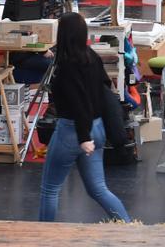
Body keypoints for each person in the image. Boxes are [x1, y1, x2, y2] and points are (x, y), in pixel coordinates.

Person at [39, 12, 131, 223]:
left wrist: (83, 137)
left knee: (50, 189)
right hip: (97, 128)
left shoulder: (67, 66)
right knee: (98, 189)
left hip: (73, 132)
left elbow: (78, 103)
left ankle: (42, 239)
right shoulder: (92, 57)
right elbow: (103, 91)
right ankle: (128, 226)